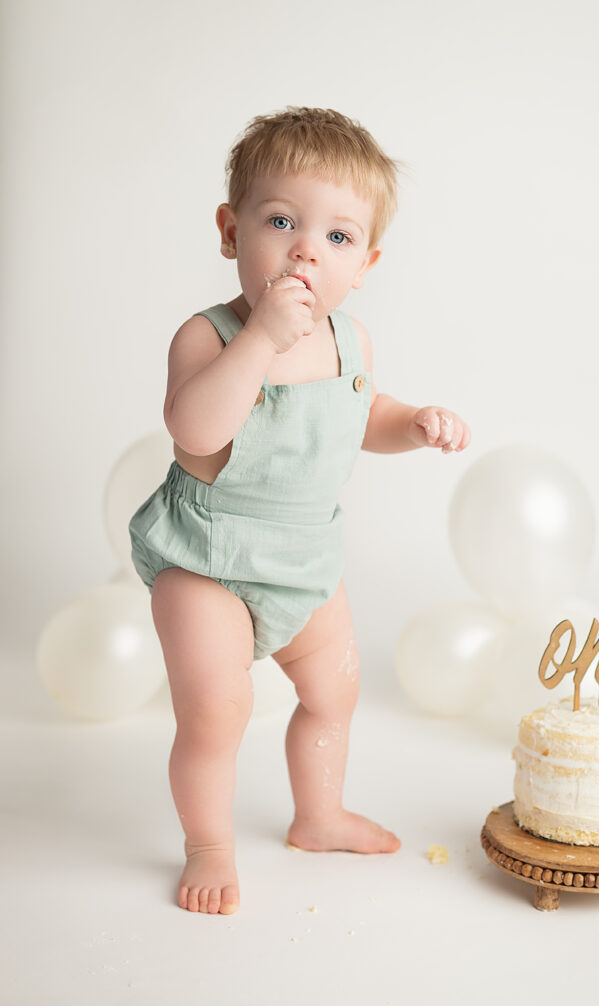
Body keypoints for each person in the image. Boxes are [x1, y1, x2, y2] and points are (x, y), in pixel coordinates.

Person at [129, 107, 471, 916]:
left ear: (367, 262)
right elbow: (196, 430)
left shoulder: (351, 341)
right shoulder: (208, 338)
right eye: (281, 221)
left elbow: (363, 417)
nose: (306, 250)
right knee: (219, 710)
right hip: (205, 559)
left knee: (335, 694)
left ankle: (318, 815)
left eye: (338, 238)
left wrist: (412, 424)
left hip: (306, 560)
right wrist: (263, 341)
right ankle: (208, 843)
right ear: (230, 230)